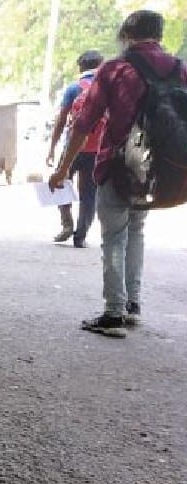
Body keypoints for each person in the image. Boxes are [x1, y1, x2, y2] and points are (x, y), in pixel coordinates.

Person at [49, 10, 187, 338]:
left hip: (119, 164)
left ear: (127, 33)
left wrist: (62, 168)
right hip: (161, 169)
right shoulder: (180, 69)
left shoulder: (115, 68)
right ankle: (133, 305)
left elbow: (84, 123)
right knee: (136, 230)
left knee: (114, 234)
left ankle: (113, 313)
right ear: (159, 34)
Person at [45, 50, 105, 248]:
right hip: (96, 150)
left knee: (60, 182)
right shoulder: (106, 89)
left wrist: (52, 148)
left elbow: (61, 120)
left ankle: (66, 224)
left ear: (81, 67)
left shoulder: (73, 89)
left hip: (73, 147)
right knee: (89, 193)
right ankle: (81, 235)